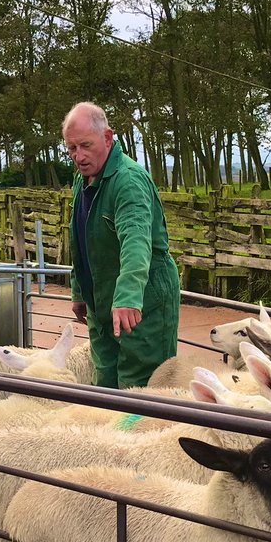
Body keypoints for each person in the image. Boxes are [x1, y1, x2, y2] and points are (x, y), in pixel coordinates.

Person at [63, 101, 180, 388]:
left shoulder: (127, 182)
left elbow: (136, 240)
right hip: (103, 303)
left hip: (144, 304)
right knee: (106, 386)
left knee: (140, 389)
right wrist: (80, 290)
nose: (79, 156)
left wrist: (128, 296)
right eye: (71, 148)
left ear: (107, 137)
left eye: (86, 146)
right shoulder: (85, 179)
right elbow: (80, 238)